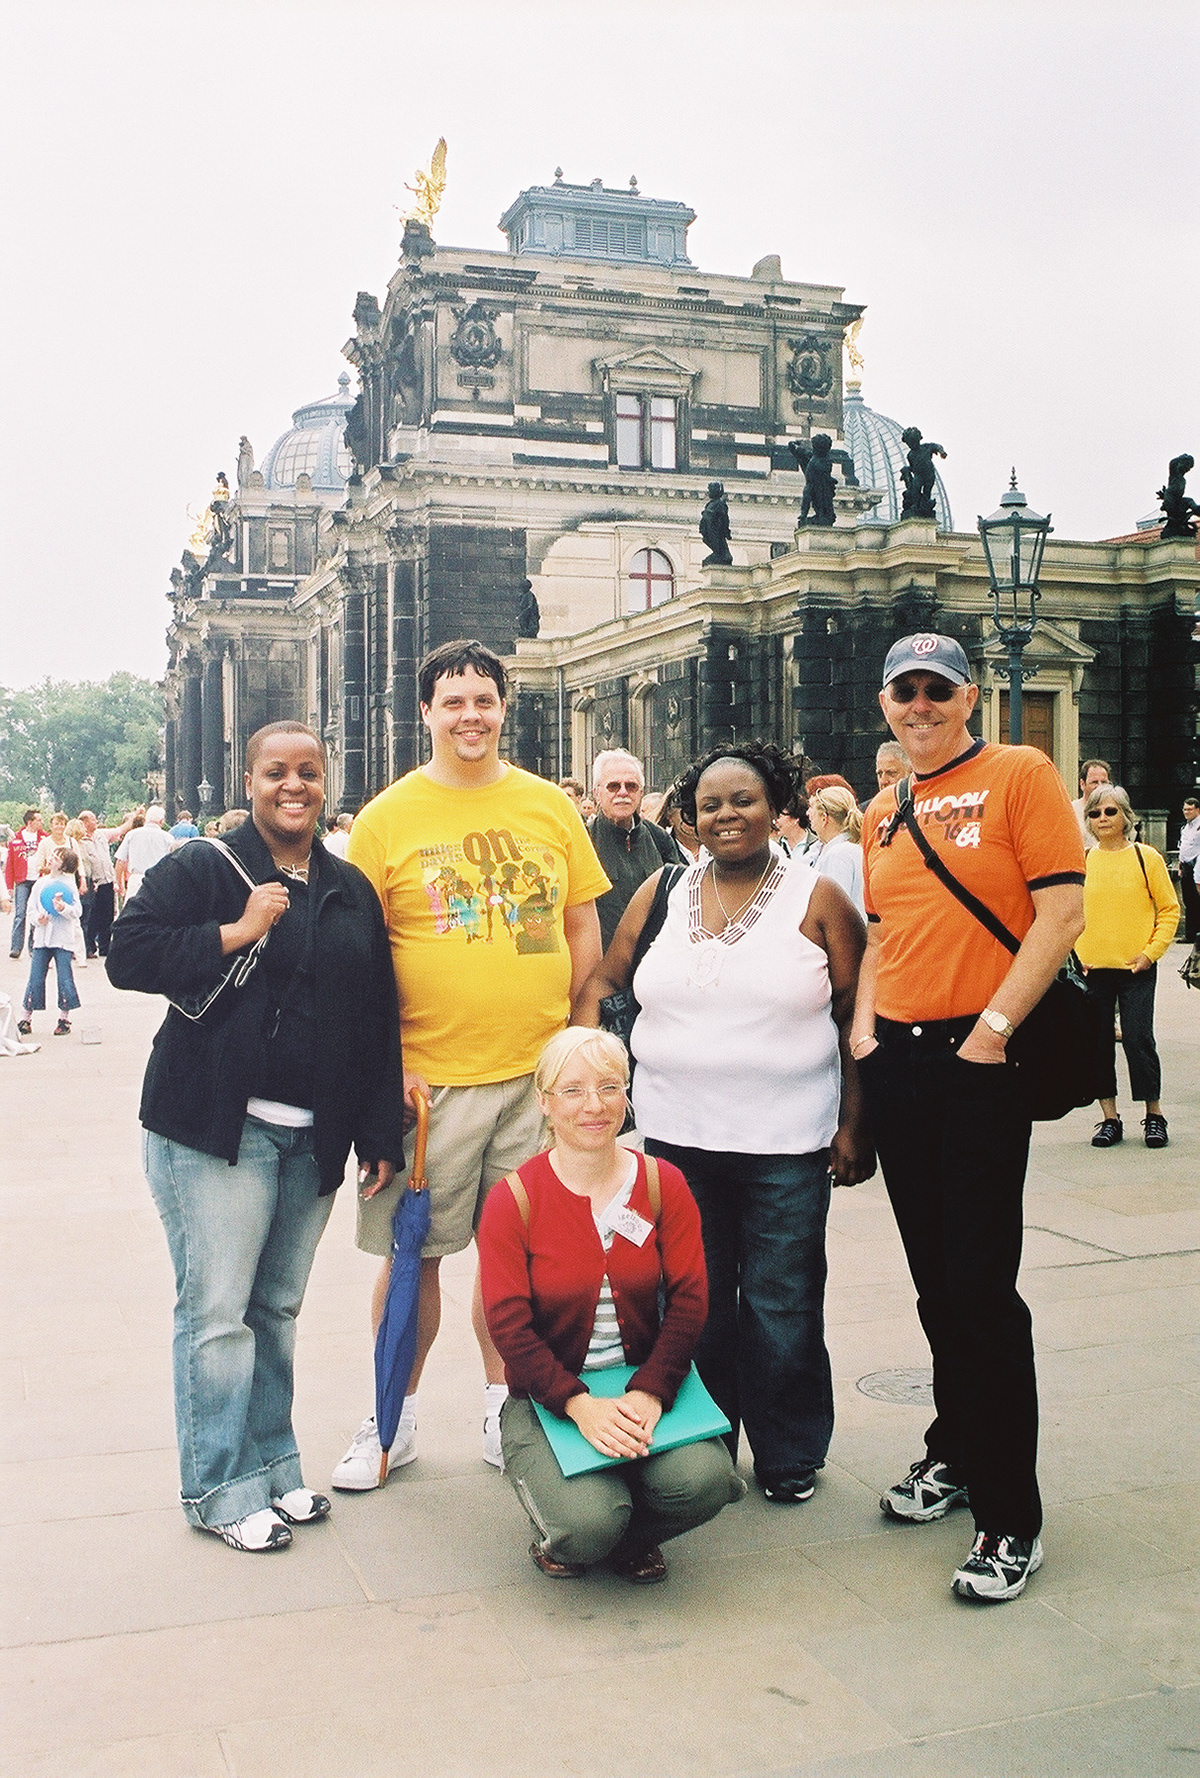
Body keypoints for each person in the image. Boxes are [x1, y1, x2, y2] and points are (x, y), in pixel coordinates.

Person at [106, 722, 404, 1554]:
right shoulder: (207, 866)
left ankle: (273, 1468)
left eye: (309, 771)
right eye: (277, 771)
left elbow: (376, 1014)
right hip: (215, 1129)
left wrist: (378, 1128)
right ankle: (218, 1486)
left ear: (326, 781)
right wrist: (233, 932)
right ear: (250, 780)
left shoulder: (347, 885)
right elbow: (127, 951)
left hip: (313, 1136)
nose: (294, 785)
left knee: (274, 1309)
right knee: (217, 1315)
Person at [332, 639, 610, 1490]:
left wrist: (581, 1038)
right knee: (412, 1258)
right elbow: (355, 955)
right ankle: (391, 1419)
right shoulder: (387, 817)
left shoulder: (548, 807)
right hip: (430, 1086)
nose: (470, 716)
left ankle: (509, 1409)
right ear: (426, 713)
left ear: (503, 708)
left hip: (535, 1082)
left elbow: (579, 928)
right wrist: (389, 1065)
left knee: (522, 1263)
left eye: (484, 700)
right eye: (452, 702)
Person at [576, 740, 873, 1506]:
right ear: (690, 815)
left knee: (781, 1302)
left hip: (786, 1145)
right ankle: (705, 1445)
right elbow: (608, 976)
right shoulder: (664, 891)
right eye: (710, 804)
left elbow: (853, 1018)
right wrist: (579, 1066)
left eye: (743, 801)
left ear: (777, 808)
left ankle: (788, 1451)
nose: (726, 815)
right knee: (690, 1300)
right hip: (676, 1144)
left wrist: (853, 1125)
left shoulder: (818, 898)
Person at [851, 633, 1084, 1603]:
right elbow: (881, 932)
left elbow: (1060, 914)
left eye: (936, 690)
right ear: (886, 705)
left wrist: (991, 1029)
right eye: (904, 691)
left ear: (969, 696)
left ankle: (1009, 1513)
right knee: (936, 1286)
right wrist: (863, 1030)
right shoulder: (881, 811)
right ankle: (954, 1447)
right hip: (901, 1061)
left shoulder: (1020, 773)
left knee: (984, 1292)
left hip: (979, 1058)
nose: (920, 705)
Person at [478, 1027, 744, 1582]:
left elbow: (693, 1298)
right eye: (572, 1091)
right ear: (544, 1102)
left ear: (628, 1094)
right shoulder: (514, 1199)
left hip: (641, 1385)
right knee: (585, 1527)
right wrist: (577, 1404)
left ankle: (629, 1534)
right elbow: (507, 1324)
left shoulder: (661, 1183)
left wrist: (652, 1389)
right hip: (550, 1396)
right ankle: (582, 1529)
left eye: (609, 1087)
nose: (594, 1105)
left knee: (708, 1482)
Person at [1077, 784, 1179, 1149]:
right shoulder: (1083, 859)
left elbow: (1169, 909)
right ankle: (1109, 1117)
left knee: (1138, 1040)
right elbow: (1069, 913)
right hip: (1093, 970)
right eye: (1094, 813)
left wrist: (1150, 953)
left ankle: (1154, 1114)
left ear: (1125, 815)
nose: (1102, 819)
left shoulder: (1145, 857)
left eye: (1109, 811)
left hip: (1137, 968)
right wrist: (1076, 955)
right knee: (1098, 1043)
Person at [587, 750, 682, 950]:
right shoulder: (584, 839)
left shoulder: (660, 839)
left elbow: (678, 899)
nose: (623, 793)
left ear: (640, 792)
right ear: (597, 793)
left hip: (653, 959)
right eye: (613, 786)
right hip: (603, 964)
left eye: (631, 786)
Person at [18, 851, 84, 1038]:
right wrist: (38, 920)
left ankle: (64, 1017)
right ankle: (26, 1017)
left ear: (64, 864)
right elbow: (31, 909)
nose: (51, 858)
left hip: (63, 938)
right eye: (52, 856)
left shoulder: (69, 884)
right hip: (42, 937)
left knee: (64, 977)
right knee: (35, 977)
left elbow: (77, 911)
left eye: (57, 857)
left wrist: (64, 909)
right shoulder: (40, 883)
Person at [76, 809, 133, 959]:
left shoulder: (101, 835)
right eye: (93, 819)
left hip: (107, 880)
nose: (96, 822)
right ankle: (89, 945)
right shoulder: (79, 841)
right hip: (93, 881)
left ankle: (105, 946)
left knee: (107, 915)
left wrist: (135, 815)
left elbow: (120, 829)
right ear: (85, 822)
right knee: (92, 915)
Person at [809, 786, 865, 917]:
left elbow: (833, 911)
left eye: (811, 808)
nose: (808, 814)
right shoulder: (851, 848)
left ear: (824, 818)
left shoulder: (838, 854)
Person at [6, 810, 45, 955]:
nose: (41, 823)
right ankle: (16, 947)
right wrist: (9, 886)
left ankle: (34, 945)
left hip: (39, 879)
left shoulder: (44, 838)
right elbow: (9, 865)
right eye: (39, 820)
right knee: (20, 913)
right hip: (22, 880)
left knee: (37, 912)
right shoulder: (16, 839)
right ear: (30, 822)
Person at [115, 806, 172, 901]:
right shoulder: (168, 838)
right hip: (158, 881)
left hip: (136, 880)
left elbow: (120, 861)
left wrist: (120, 884)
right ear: (161, 821)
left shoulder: (131, 835)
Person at [1071, 759, 1111, 851]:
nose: (1100, 786)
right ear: (1082, 784)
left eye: (1104, 782)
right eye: (1094, 782)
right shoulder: (1071, 811)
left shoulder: (1115, 811)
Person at [1177, 793, 1200, 945]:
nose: (1186, 812)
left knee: (1197, 901)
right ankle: (1190, 933)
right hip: (1185, 867)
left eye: (1190, 810)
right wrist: (1179, 864)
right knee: (1188, 902)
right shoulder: (1185, 827)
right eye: (1185, 810)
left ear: (1197, 810)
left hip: (1196, 867)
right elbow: (1183, 847)